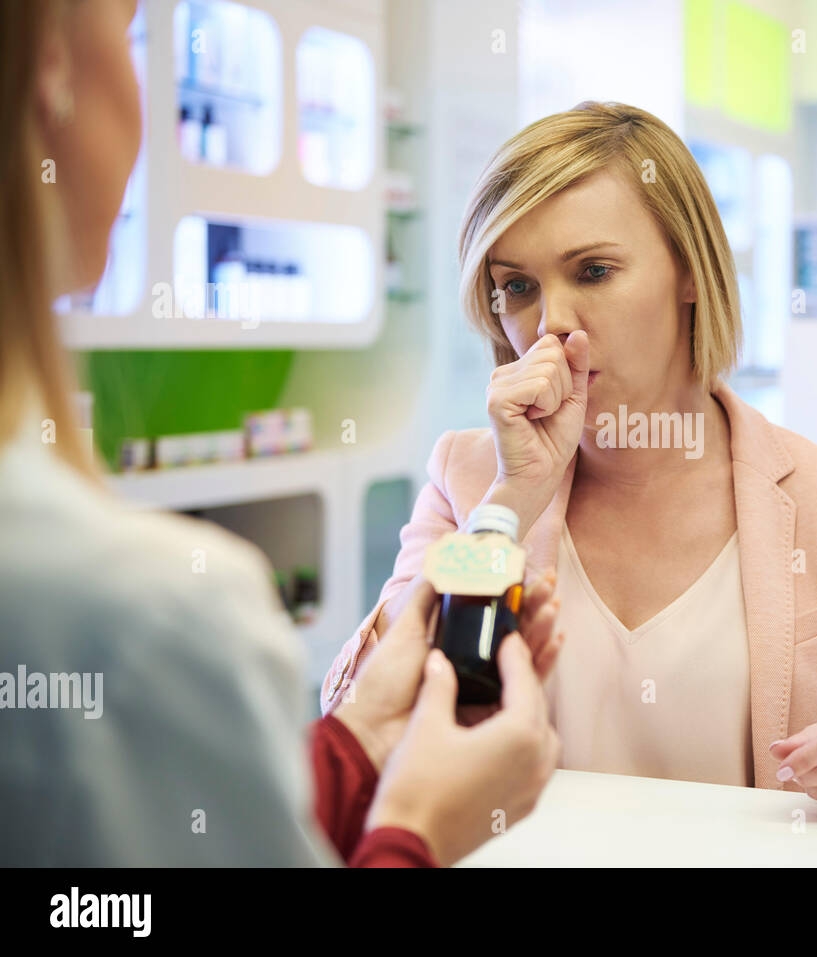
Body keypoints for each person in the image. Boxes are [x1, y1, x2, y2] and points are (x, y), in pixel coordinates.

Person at [0, 0, 559, 867]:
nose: (554, 321)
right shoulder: (158, 616)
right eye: (125, 33)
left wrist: (362, 736)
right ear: (52, 77)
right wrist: (416, 828)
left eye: (597, 269)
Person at [323, 101, 817, 817]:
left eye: (592, 271)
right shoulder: (472, 482)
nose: (550, 321)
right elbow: (364, 721)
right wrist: (514, 497)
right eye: (518, 286)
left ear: (690, 271)